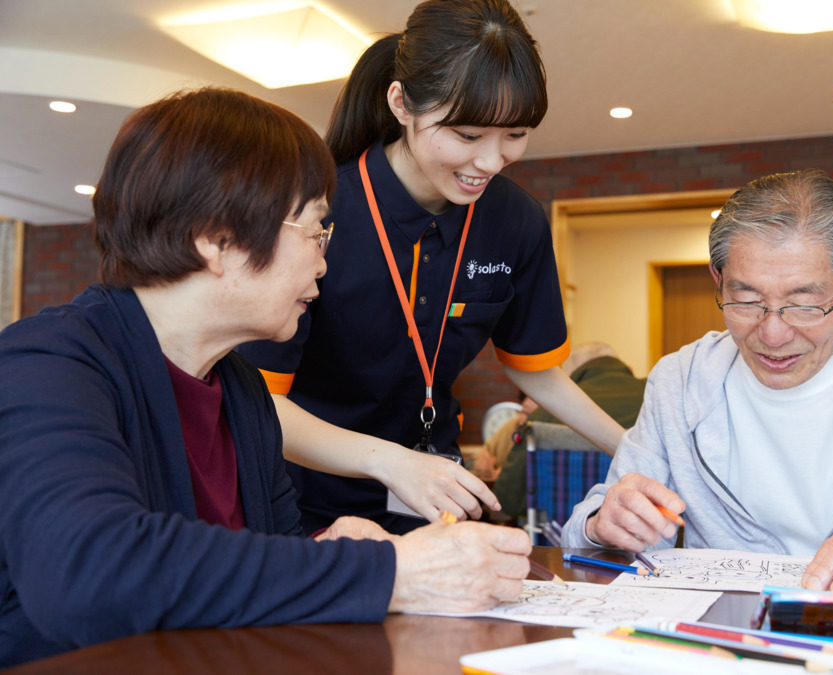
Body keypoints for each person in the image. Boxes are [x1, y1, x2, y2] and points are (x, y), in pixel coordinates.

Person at [0, 87, 531, 669]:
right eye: (314, 231)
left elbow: (260, 563)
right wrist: (391, 572)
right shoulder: (49, 364)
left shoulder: (241, 390)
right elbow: (88, 575)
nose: (324, 262)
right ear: (216, 239)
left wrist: (322, 551)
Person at [237, 0, 624, 535]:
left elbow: (535, 368)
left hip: (434, 500)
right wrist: (390, 461)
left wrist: (634, 450)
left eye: (515, 135)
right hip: (304, 502)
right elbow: (256, 402)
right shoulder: (317, 214)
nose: (490, 162)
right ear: (401, 103)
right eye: (467, 136)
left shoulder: (516, 221)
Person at [563, 169, 833, 593]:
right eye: (746, 299)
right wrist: (601, 522)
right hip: (727, 647)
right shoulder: (680, 381)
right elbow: (591, 528)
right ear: (718, 282)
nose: (773, 334)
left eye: (805, 304)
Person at [493, 342, 647, 518]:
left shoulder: (546, 413)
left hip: (556, 534)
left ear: (568, 379)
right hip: (641, 524)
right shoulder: (654, 400)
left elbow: (507, 499)